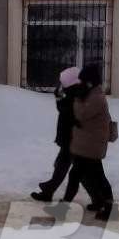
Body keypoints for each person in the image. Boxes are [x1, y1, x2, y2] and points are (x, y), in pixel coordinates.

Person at [68, 63, 115, 221]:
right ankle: (101, 202)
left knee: (89, 176)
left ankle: (108, 208)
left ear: (90, 81)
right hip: (88, 145)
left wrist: (75, 98)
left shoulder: (96, 97)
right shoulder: (91, 94)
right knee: (89, 176)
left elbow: (80, 114)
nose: (81, 83)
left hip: (92, 146)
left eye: (83, 80)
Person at [30, 66, 82, 203]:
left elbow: (68, 112)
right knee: (63, 165)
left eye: (63, 81)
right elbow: (64, 109)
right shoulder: (72, 92)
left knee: (71, 168)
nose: (61, 84)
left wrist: (59, 98)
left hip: (72, 138)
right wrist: (59, 97)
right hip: (70, 137)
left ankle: (100, 199)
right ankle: (49, 190)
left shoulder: (75, 93)